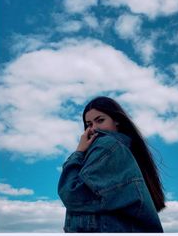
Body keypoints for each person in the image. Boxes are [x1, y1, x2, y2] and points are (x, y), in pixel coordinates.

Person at [58, 96, 165, 232]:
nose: (94, 129)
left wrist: (78, 152)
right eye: (89, 124)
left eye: (100, 120)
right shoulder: (124, 152)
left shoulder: (107, 144)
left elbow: (70, 194)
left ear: (117, 121)